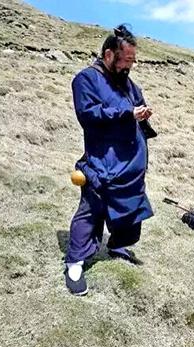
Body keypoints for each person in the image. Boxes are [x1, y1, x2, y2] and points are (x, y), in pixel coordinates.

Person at [64, 24, 157, 296]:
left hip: (131, 163)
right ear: (108, 54)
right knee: (91, 209)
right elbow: (89, 115)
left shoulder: (129, 83)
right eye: (127, 59)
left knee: (129, 209)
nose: (131, 64)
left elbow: (136, 106)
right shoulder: (86, 80)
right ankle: (75, 263)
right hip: (103, 161)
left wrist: (143, 114)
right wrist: (126, 113)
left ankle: (117, 246)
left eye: (133, 60)